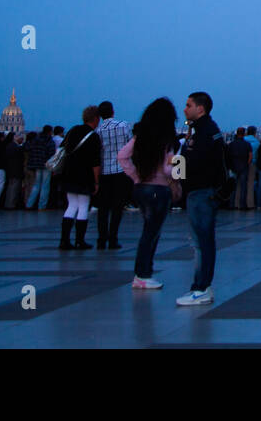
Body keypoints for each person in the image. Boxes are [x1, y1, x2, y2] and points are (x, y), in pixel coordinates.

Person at [119, 98, 180, 289]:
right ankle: (143, 274)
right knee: (151, 233)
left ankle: (143, 273)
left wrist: (136, 176)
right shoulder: (166, 141)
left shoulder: (140, 138)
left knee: (148, 231)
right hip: (159, 189)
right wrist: (179, 169)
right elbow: (168, 169)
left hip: (140, 188)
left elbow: (122, 156)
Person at [179, 91, 225, 305]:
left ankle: (201, 287)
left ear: (201, 108)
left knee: (203, 242)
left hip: (201, 191)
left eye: (189, 105)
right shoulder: (202, 130)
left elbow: (197, 161)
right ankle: (200, 285)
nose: (185, 109)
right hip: (199, 191)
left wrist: (177, 172)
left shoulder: (204, 132)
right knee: (200, 242)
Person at [58, 106, 102, 250]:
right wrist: (96, 182)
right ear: (95, 119)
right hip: (84, 175)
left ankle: (64, 240)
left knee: (71, 206)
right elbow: (95, 162)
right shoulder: (93, 136)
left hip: (69, 173)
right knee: (83, 206)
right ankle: (79, 240)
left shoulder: (72, 131)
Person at [94, 101, 133, 248]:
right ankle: (113, 238)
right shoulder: (123, 126)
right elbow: (130, 146)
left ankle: (101, 239)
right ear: (112, 111)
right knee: (118, 207)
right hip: (120, 171)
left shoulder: (97, 131)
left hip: (104, 172)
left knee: (103, 208)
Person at [24, 124, 56, 210]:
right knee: (45, 186)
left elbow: (26, 147)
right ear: (50, 132)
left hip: (36, 164)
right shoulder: (49, 141)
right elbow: (52, 154)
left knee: (36, 185)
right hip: (46, 165)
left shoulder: (35, 140)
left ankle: (29, 204)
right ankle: (41, 206)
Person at [227, 128, 253, 210]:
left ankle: (231, 204)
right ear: (244, 134)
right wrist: (247, 164)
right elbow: (250, 156)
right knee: (243, 187)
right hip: (243, 166)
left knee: (232, 187)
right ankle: (242, 205)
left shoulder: (231, 144)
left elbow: (228, 156)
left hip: (233, 166)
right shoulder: (247, 144)